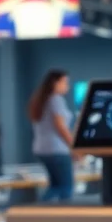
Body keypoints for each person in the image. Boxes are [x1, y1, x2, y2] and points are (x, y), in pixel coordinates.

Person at [29, 69, 75, 201]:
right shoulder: (56, 99)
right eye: (65, 82)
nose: (67, 86)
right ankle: (63, 218)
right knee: (66, 187)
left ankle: (40, 213)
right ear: (55, 83)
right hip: (57, 150)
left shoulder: (40, 100)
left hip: (42, 149)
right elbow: (60, 126)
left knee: (55, 186)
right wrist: (73, 146)